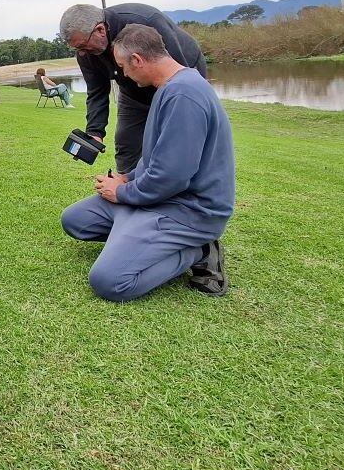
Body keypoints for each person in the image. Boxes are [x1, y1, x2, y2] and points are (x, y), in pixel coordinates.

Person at [61, 24, 234, 301]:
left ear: (137, 60)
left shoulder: (184, 95)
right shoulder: (168, 88)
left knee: (109, 281)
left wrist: (121, 193)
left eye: (123, 67)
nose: (124, 75)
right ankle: (135, 234)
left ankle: (198, 250)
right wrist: (127, 178)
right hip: (155, 198)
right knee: (77, 220)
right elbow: (156, 158)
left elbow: (173, 177)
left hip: (187, 210)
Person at [59, 3, 207, 175]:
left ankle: (183, 188)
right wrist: (94, 132)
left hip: (178, 76)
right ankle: (126, 189)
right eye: (77, 49)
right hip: (132, 93)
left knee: (175, 139)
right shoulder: (86, 54)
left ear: (100, 29)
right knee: (126, 142)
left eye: (83, 46)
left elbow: (178, 73)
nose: (82, 53)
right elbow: (97, 91)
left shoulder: (147, 21)